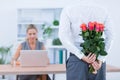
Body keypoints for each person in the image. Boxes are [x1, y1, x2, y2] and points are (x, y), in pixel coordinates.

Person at [59, 4, 113, 80]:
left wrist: (82, 56)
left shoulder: (69, 8)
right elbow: (111, 36)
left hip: (77, 60)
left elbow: (63, 36)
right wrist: (100, 59)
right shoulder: (103, 8)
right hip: (97, 61)